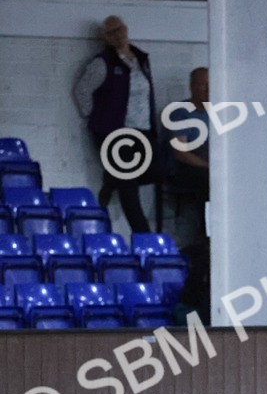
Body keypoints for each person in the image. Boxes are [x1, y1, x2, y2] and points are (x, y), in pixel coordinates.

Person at [74, 14, 156, 233]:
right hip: (115, 134)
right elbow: (83, 90)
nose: (117, 35)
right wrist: (96, 115)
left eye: (119, 29)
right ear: (105, 38)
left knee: (150, 174)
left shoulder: (141, 59)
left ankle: (111, 179)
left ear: (126, 29)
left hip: (142, 131)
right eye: (111, 32)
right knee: (129, 188)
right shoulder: (103, 63)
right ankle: (144, 237)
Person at [163, 66, 210, 247]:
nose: (208, 90)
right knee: (209, 182)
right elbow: (180, 152)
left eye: (211, 85)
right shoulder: (181, 112)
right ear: (192, 87)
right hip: (186, 170)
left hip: (209, 165)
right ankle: (205, 235)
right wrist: (208, 167)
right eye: (203, 85)